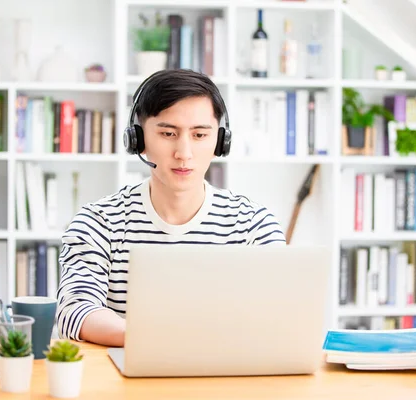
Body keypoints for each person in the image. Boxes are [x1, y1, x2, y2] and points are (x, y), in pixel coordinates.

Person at [56, 69, 286, 347]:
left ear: (220, 142)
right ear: (137, 140)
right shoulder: (98, 222)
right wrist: (160, 340)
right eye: (168, 133)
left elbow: (278, 317)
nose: (184, 153)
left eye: (200, 135)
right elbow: (75, 313)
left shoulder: (254, 226)